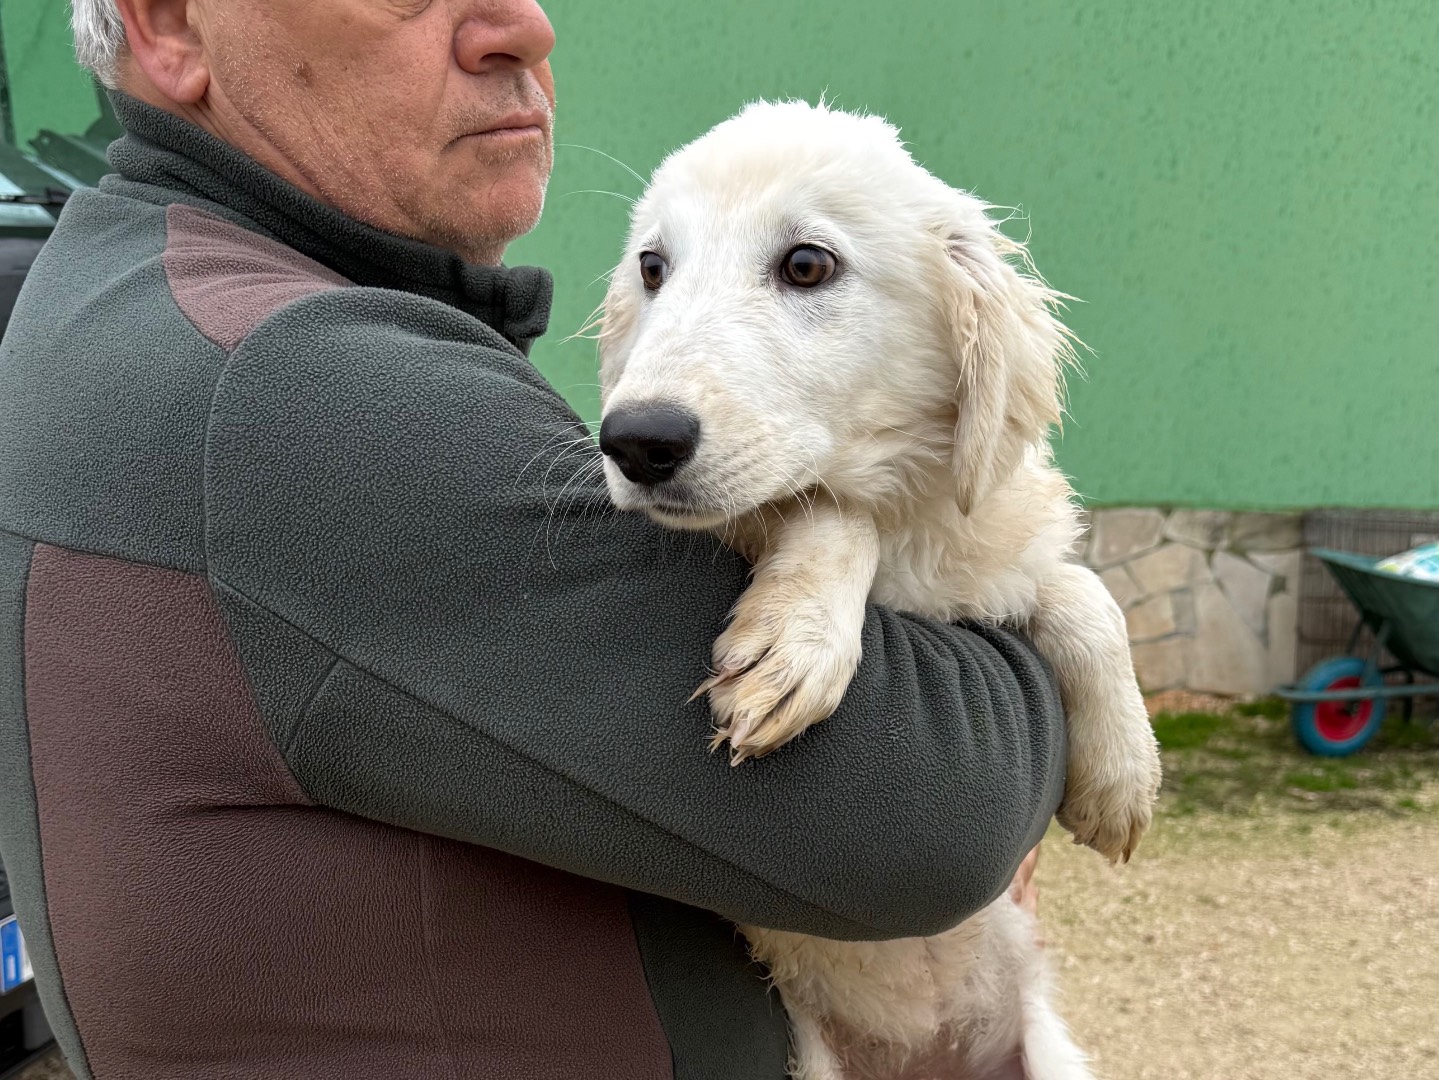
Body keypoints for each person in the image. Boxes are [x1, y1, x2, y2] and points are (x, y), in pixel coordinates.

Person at [0, 2, 1065, 1077]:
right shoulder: (295, 390)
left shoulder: (153, 295)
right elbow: (928, 818)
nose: (522, 24)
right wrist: (1051, 675)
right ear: (174, 23)